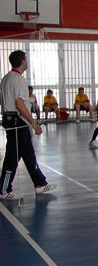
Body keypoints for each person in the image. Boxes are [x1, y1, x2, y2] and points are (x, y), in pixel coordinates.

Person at [0, 50, 56, 200]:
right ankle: (3, 190)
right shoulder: (18, 79)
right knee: (12, 158)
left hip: (11, 120)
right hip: (18, 122)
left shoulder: (6, 78)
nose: (27, 61)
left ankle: (40, 184)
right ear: (22, 62)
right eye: (26, 59)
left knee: (28, 154)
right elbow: (19, 103)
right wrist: (34, 123)